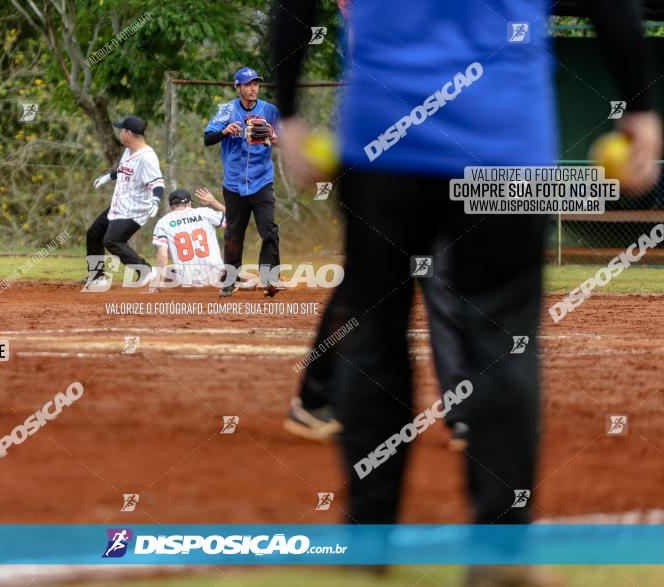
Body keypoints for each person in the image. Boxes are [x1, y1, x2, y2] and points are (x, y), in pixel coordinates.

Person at [273, 1, 661, 585]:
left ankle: (367, 537)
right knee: (503, 337)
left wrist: (289, 110)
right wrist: (641, 107)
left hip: (383, 136)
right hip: (504, 138)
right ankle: (502, 548)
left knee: (374, 330)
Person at [204, 67, 283, 297]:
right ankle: (230, 281)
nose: (253, 88)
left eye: (256, 84)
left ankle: (269, 280)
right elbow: (208, 137)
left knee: (269, 230)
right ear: (237, 87)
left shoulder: (269, 110)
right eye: (248, 84)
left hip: (262, 182)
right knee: (233, 235)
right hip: (234, 185)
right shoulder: (227, 111)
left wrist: (276, 138)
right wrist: (224, 131)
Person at [81, 115, 164, 290]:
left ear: (130, 133)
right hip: (119, 205)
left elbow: (157, 183)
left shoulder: (147, 157)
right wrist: (108, 177)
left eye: (122, 130)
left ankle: (145, 269)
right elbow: (125, 171)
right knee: (94, 234)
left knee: (112, 240)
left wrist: (156, 201)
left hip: (135, 209)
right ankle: (96, 277)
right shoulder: (128, 150)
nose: (120, 133)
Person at [149, 188, 226, 289]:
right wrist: (214, 202)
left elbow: (163, 256)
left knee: (167, 271)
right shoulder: (205, 213)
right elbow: (235, 218)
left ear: (170, 207)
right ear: (189, 203)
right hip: (216, 276)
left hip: (187, 282)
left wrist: (157, 285)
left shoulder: (163, 222)